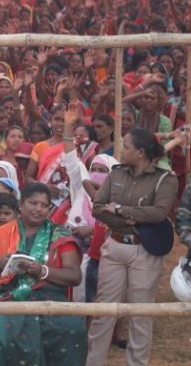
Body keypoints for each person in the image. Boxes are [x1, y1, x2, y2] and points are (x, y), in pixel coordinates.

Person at [0, 182, 86, 365]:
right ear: (20, 205)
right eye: (33, 203)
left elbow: (74, 276)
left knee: (73, 327)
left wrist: (42, 271)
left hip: (48, 299)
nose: (38, 209)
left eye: (44, 205)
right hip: (5, 297)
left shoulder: (59, 235)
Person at [86, 128, 178, 366]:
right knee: (104, 311)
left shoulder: (165, 179)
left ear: (140, 152)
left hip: (144, 251)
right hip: (114, 245)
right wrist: (132, 219)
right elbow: (98, 208)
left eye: (126, 146)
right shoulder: (116, 173)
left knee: (141, 312)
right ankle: (93, 362)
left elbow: (159, 213)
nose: (122, 149)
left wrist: (119, 210)